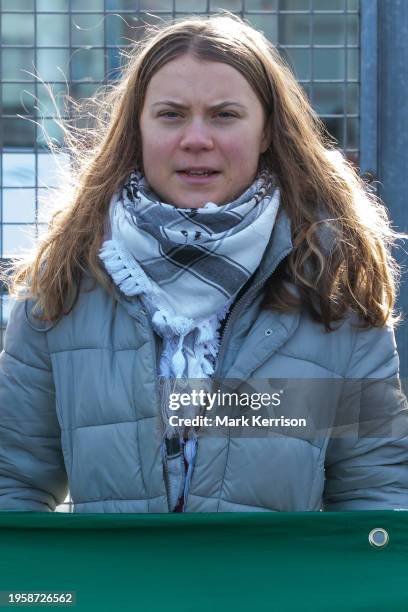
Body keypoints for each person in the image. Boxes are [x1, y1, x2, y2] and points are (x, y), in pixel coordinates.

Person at [0, 13, 407, 514]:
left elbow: (376, 495)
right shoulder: (66, 280)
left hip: (271, 593)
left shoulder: (330, 284)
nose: (196, 138)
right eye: (171, 114)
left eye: (224, 115)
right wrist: (49, 597)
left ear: (266, 132)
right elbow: (11, 483)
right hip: (122, 592)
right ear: (138, 130)